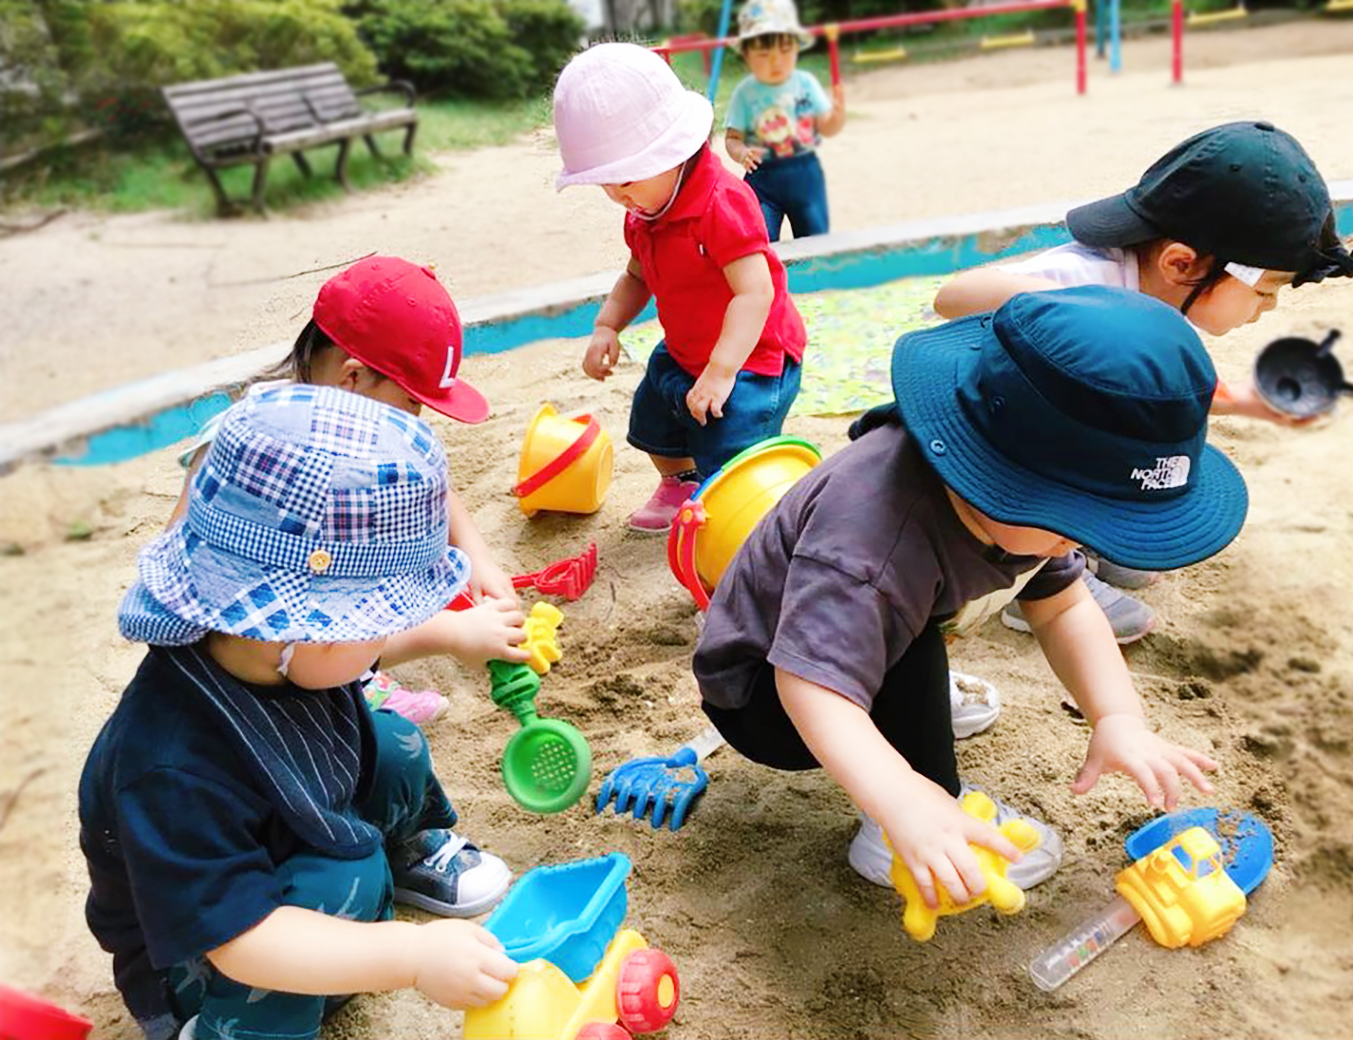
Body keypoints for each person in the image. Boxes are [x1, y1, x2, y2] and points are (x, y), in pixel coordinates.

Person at [693, 285, 1245, 909]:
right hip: (767, 697)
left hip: (865, 630)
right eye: (1074, 520)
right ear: (997, 471)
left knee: (912, 630)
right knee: (909, 649)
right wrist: (905, 799)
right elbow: (806, 684)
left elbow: (1062, 605)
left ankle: (901, 711)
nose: (1080, 542)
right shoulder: (873, 542)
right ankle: (901, 833)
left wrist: (1118, 719)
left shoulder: (1020, 503)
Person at [81, 386, 520, 1040]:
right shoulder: (172, 766)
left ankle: (400, 860)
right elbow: (241, 939)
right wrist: (412, 956)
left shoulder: (261, 646)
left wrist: (453, 635)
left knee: (392, 743)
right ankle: (238, 1029)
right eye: (375, 625)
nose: (384, 641)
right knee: (335, 878)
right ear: (299, 628)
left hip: (282, 830)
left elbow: (343, 654)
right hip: (204, 957)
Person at [933, 120, 1343, 639]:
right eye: (1265, 291)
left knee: (1130, 422)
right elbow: (951, 295)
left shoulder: (1159, 290)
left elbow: (1159, 390)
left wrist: (1247, 401)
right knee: (1083, 435)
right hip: (976, 463)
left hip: (1037, 446)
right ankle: (1032, 575)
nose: (1270, 306)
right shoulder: (1088, 283)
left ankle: (1087, 542)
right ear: (1181, 263)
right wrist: (1069, 310)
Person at [171, 256, 531, 723]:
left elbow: (436, 490)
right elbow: (308, 651)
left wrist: (476, 556)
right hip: (248, 675)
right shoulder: (276, 468)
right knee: (391, 756)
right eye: (410, 403)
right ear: (353, 378)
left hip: (284, 639)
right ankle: (362, 690)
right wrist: (454, 633)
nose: (417, 421)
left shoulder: (329, 419)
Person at [553, 43, 807, 532]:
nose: (618, 194)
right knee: (652, 419)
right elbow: (635, 276)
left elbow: (755, 293)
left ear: (675, 151)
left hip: (752, 359)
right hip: (688, 350)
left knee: (730, 450)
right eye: (606, 184)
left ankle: (742, 519)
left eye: (626, 179)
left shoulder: (721, 205)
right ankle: (678, 483)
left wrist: (721, 371)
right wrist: (607, 324)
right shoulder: (647, 211)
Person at [723, 0, 847, 241]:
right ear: (747, 55)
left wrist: (838, 115)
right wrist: (741, 153)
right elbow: (732, 138)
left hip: (804, 175)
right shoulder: (745, 93)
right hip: (762, 180)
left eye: (784, 50)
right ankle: (771, 279)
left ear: (796, 48)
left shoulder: (806, 84)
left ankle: (814, 277)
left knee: (815, 242)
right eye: (763, 53)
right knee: (761, 242)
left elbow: (827, 126)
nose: (775, 61)